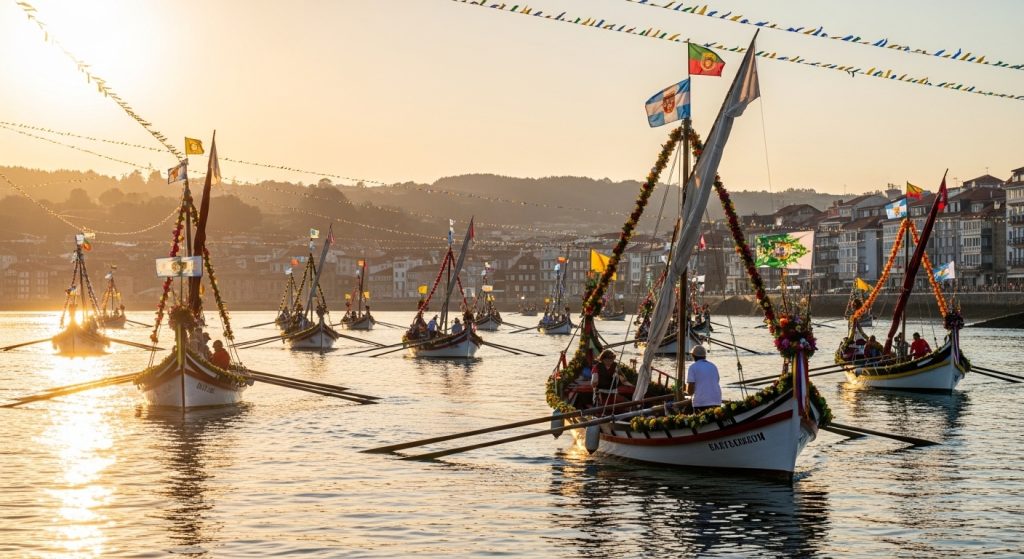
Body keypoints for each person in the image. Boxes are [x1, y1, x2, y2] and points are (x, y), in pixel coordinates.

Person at [685, 345, 721, 412]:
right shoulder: (713, 366)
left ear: (693, 356)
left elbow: (690, 391)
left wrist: (686, 390)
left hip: (701, 403)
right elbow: (716, 381)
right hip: (717, 401)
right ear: (705, 356)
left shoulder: (692, 367)